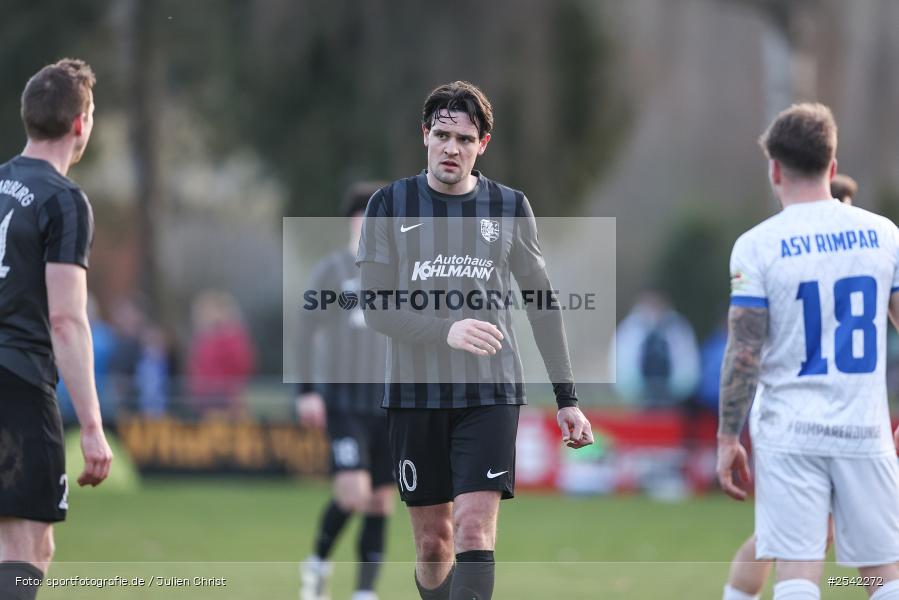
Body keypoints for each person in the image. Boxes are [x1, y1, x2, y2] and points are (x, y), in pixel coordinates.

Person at [356, 81, 593, 600]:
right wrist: (447, 330)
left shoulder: (509, 206)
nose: (450, 148)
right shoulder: (388, 204)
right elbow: (375, 308)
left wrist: (567, 398)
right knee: (435, 544)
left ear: (483, 144)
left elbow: (542, 303)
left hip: (489, 393)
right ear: (425, 135)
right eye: (441, 135)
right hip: (415, 397)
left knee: (471, 530)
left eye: (464, 139)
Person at [717, 103, 899, 600]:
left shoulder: (757, 246)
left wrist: (727, 436)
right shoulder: (886, 236)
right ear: (833, 166)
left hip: (790, 430)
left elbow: (744, 353)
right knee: (884, 574)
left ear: (774, 168)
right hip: (865, 428)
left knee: (797, 569)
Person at [0, 58, 113, 599]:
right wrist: (91, 425)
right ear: (81, 123)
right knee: (27, 550)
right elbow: (67, 319)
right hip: (17, 382)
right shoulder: (64, 199)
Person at [721, 172, 862, 600]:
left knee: (790, 536)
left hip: (823, 412)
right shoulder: (836, 259)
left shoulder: (779, 250)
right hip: (806, 410)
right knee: (795, 539)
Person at [298, 182, 392, 600]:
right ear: (353, 221)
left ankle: (365, 592)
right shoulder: (332, 271)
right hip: (344, 401)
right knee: (354, 493)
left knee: (380, 500)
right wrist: (307, 391)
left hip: (391, 403)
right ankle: (317, 560)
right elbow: (304, 332)